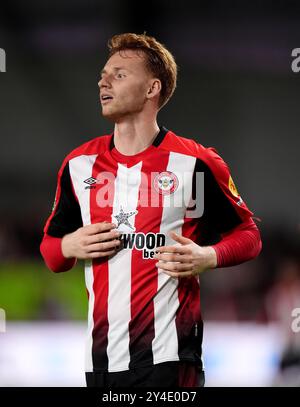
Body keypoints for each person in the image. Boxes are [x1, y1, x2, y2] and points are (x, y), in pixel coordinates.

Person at [40, 33, 262, 387]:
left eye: (119, 74)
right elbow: (52, 253)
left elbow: (249, 236)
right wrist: (70, 246)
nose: (103, 80)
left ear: (152, 88)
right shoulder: (78, 164)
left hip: (171, 357)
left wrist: (208, 256)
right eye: (103, 73)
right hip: (100, 361)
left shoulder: (196, 162)